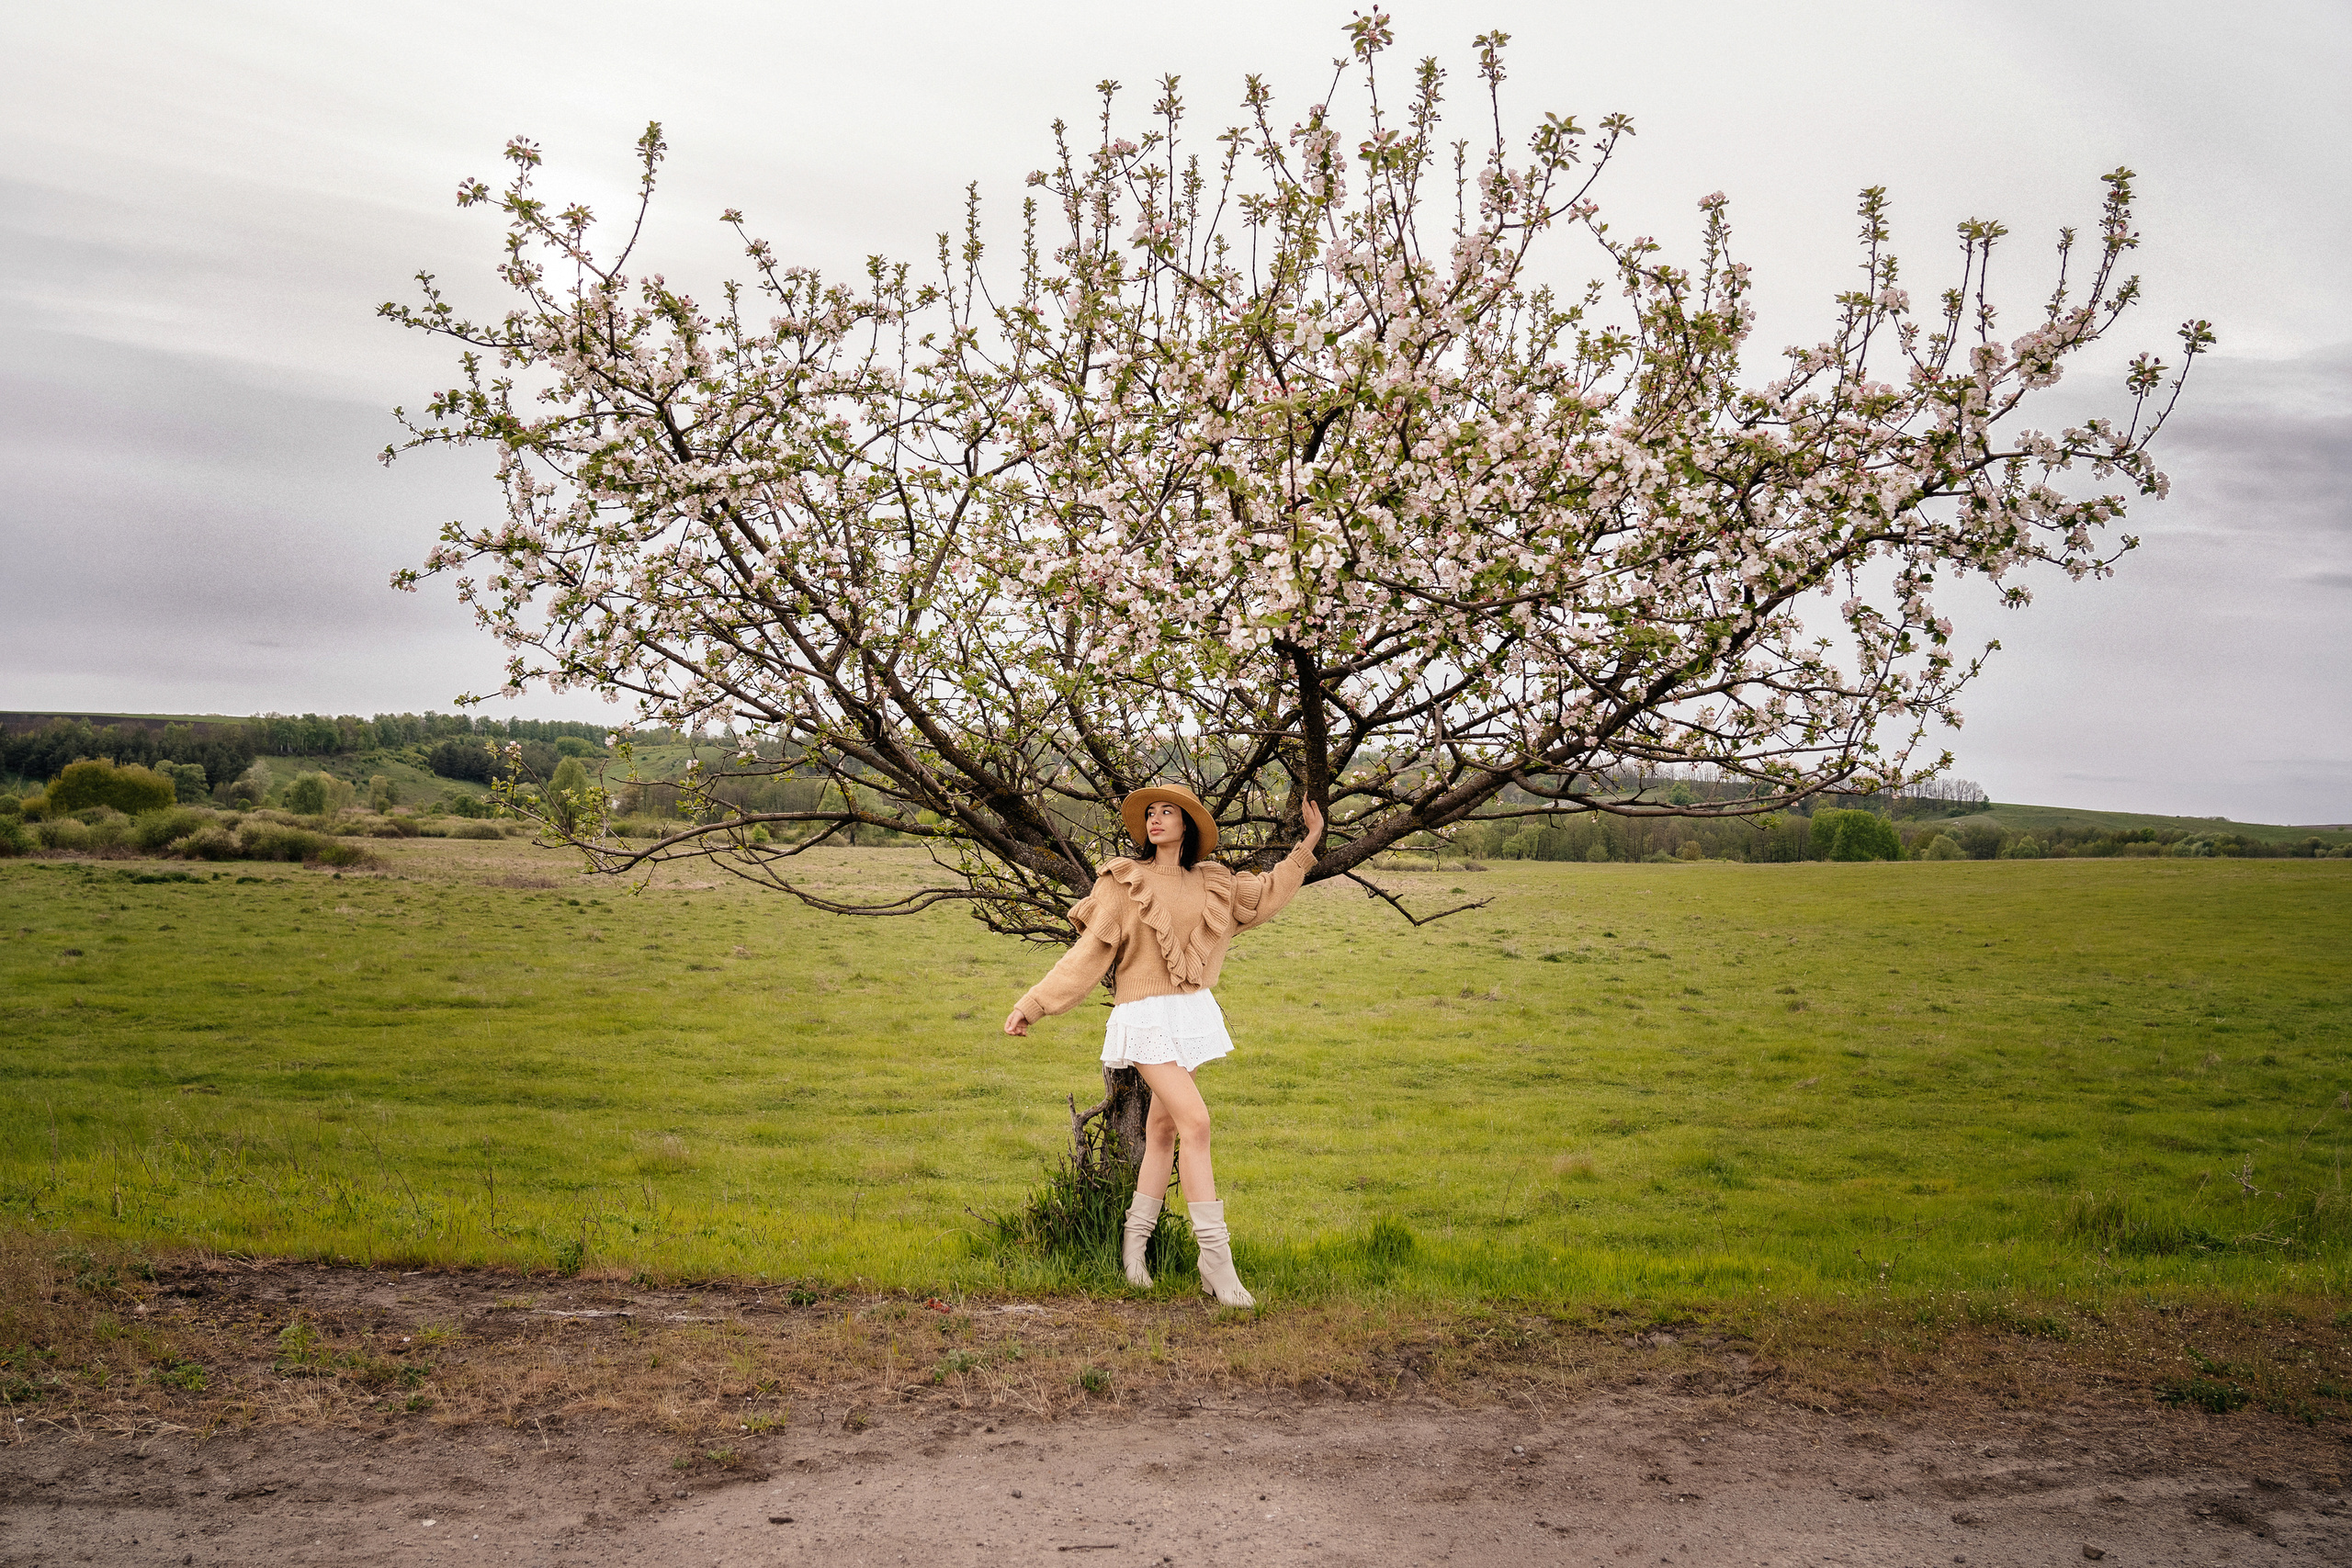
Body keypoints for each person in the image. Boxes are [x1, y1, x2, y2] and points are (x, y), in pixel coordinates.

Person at [1003, 784, 1325, 1307]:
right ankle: (1216, 1262)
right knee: (1197, 1124)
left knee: (1163, 1129)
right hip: (1146, 1015)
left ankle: (1134, 1247)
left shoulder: (1213, 883)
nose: (1155, 820)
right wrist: (1035, 1003)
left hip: (1193, 1013)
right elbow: (1089, 954)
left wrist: (1307, 844)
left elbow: (1267, 893)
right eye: (1149, 814)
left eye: (1167, 813)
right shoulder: (1123, 882)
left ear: (1187, 826)